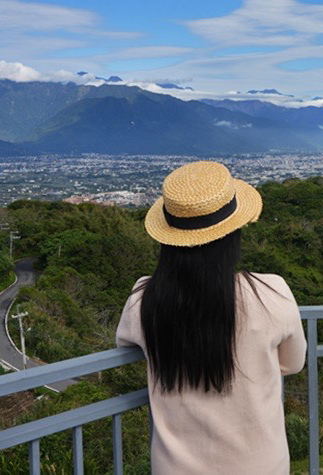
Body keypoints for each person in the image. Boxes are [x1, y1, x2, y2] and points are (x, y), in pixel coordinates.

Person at [116, 161, 306, 474]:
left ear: (169, 239)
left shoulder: (144, 300)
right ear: (233, 234)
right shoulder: (271, 293)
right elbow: (293, 363)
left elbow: (125, 343)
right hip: (260, 465)